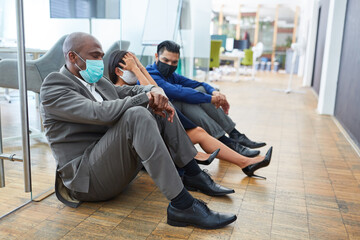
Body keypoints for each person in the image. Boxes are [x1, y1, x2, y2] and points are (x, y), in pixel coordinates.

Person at [40, 32, 237, 229]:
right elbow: (99, 113)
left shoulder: (97, 82)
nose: (100, 61)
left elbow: (129, 91)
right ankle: (182, 206)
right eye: (95, 56)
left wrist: (156, 92)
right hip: (86, 180)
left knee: (159, 105)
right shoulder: (54, 85)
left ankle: (194, 174)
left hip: (110, 166)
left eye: (102, 56)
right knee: (136, 114)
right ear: (73, 57)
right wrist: (147, 97)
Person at [107, 50, 273, 178]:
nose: (136, 70)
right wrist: (137, 69)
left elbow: (158, 91)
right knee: (190, 118)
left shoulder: (137, 83)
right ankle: (235, 156)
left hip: (163, 130)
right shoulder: (118, 92)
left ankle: (244, 161)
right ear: (119, 71)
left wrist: (139, 67)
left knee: (199, 131)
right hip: (151, 142)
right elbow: (157, 96)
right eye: (131, 67)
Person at [146, 40, 266, 158]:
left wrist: (215, 92)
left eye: (174, 62)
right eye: (165, 60)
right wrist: (210, 99)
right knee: (186, 101)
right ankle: (228, 140)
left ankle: (234, 135)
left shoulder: (171, 75)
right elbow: (179, 92)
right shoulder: (150, 74)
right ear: (156, 56)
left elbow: (198, 84)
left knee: (200, 91)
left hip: (177, 117)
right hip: (161, 120)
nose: (169, 65)